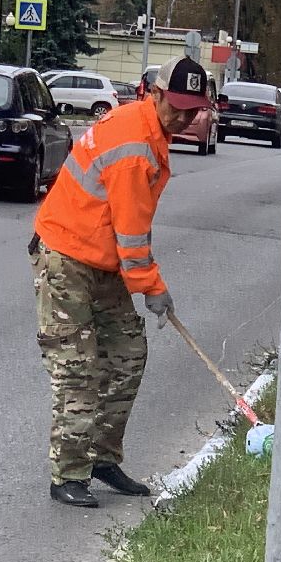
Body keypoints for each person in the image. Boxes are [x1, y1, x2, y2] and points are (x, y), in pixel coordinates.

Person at [29, 55, 209, 508]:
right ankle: (68, 473)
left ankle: (101, 457)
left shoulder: (153, 133)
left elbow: (129, 232)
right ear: (157, 93)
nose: (185, 116)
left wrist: (143, 280)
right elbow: (132, 235)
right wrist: (153, 288)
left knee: (128, 352)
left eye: (193, 109)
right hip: (66, 258)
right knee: (79, 367)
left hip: (102, 260)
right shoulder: (134, 143)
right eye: (178, 106)